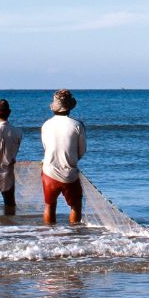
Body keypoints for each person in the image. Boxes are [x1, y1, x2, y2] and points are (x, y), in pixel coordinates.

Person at [40, 89, 86, 225]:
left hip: (49, 172)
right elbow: (82, 150)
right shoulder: (77, 125)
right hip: (69, 173)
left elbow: (45, 147)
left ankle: (49, 237)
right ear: (70, 107)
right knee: (76, 205)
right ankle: (73, 236)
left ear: (54, 106)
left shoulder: (46, 125)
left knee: (49, 205)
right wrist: (71, 159)